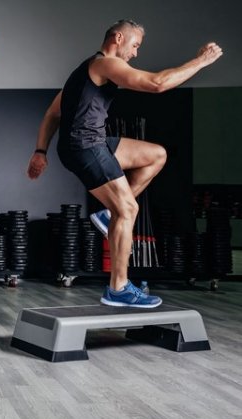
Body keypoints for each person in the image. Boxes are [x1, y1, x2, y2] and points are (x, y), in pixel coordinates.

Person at [27, 19, 222, 308]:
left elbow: (52, 114)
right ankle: (117, 288)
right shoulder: (105, 64)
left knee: (156, 154)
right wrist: (201, 61)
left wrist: (40, 150)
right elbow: (157, 84)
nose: (136, 52)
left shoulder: (82, 72)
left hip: (91, 142)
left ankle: (109, 215)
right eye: (135, 45)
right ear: (118, 38)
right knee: (129, 209)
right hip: (85, 146)